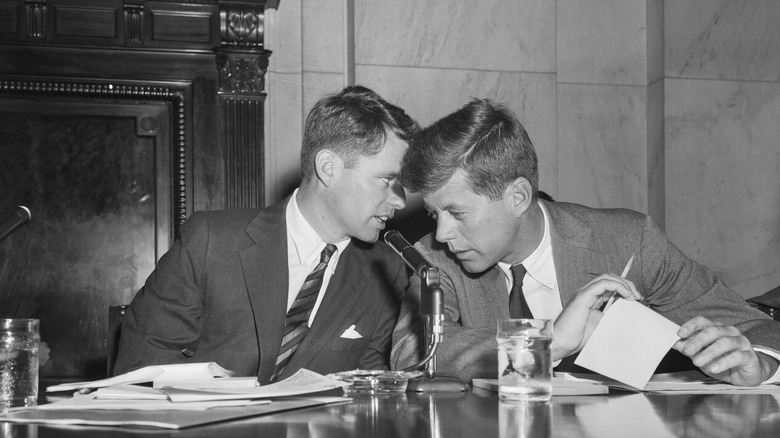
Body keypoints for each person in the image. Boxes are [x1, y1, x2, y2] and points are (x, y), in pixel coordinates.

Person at [391, 98, 780, 386]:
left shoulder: (630, 241)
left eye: (457, 213)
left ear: (519, 197)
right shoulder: (432, 260)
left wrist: (758, 364)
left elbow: (756, 326)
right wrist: (547, 342)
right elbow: (412, 355)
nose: (441, 234)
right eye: (433, 214)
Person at [115, 85, 419, 383]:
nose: (400, 200)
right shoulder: (210, 242)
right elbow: (142, 371)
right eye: (387, 179)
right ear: (328, 168)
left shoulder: (387, 270)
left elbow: (369, 393)